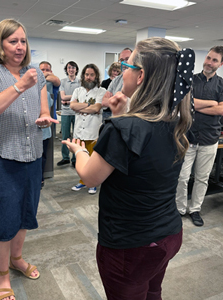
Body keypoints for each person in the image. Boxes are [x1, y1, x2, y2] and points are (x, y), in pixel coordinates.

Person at [63, 37, 195, 300]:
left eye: (127, 64)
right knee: (152, 291)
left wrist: (79, 151)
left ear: (141, 75)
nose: (122, 69)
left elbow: (89, 177)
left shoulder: (123, 129)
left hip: (131, 245)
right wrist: (122, 116)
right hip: (168, 234)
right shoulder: (176, 121)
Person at [0, 19, 58, 300]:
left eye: (23, 41)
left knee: (24, 212)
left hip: (31, 152)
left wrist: (45, 118)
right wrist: (19, 86)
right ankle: (2, 273)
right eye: (13, 41)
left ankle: (16, 258)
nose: (20, 47)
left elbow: (43, 109)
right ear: (0, 43)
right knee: (1, 214)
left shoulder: (36, 73)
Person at [176, 46, 223, 227]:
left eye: (214, 60)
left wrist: (195, 105)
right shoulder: (190, 81)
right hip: (187, 137)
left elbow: (222, 110)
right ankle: (180, 209)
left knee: (201, 178)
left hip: (209, 139)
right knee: (182, 177)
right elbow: (183, 103)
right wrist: (211, 103)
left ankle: (195, 209)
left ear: (221, 63)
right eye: (208, 58)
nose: (209, 62)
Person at [69, 63, 106, 194]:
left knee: (92, 158)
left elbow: (97, 108)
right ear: (83, 76)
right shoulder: (77, 91)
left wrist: (81, 106)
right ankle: (82, 181)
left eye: (91, 75)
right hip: (79, 130)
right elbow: (72, 106)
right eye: (86, 74)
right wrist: (88, 105)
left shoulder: (101, 91)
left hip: (92, 130)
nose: (89, 77)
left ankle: (92, 183)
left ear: (96, 76)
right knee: (81, 157)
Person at [57, 61, 81, 167]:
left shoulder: (80, 82)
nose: (71, 69)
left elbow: (81, 97)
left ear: (76, 69)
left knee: (76, 136)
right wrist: (73, 98)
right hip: (66, 112)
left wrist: (68, 100)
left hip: (77, 112)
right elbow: (62, 97)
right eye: (69, 68)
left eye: (73, 67)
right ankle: (65, 158)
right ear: (66, 70)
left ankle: (75, 158)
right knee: (65, 136)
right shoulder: (63, 81)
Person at [101, 47, 132, 119]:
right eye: (121, 60)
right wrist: (123, 103)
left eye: (127, 59)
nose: (124, 63)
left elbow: (137, 105)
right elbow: (103, 102)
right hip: (116, 120)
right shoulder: (116, 80)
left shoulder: (138, 80)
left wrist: (113, 100)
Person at [41, 91, 54, 188]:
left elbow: (47, 113)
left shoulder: (46, 94)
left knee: (41, 157)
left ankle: (40, 179)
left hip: (43, 131)